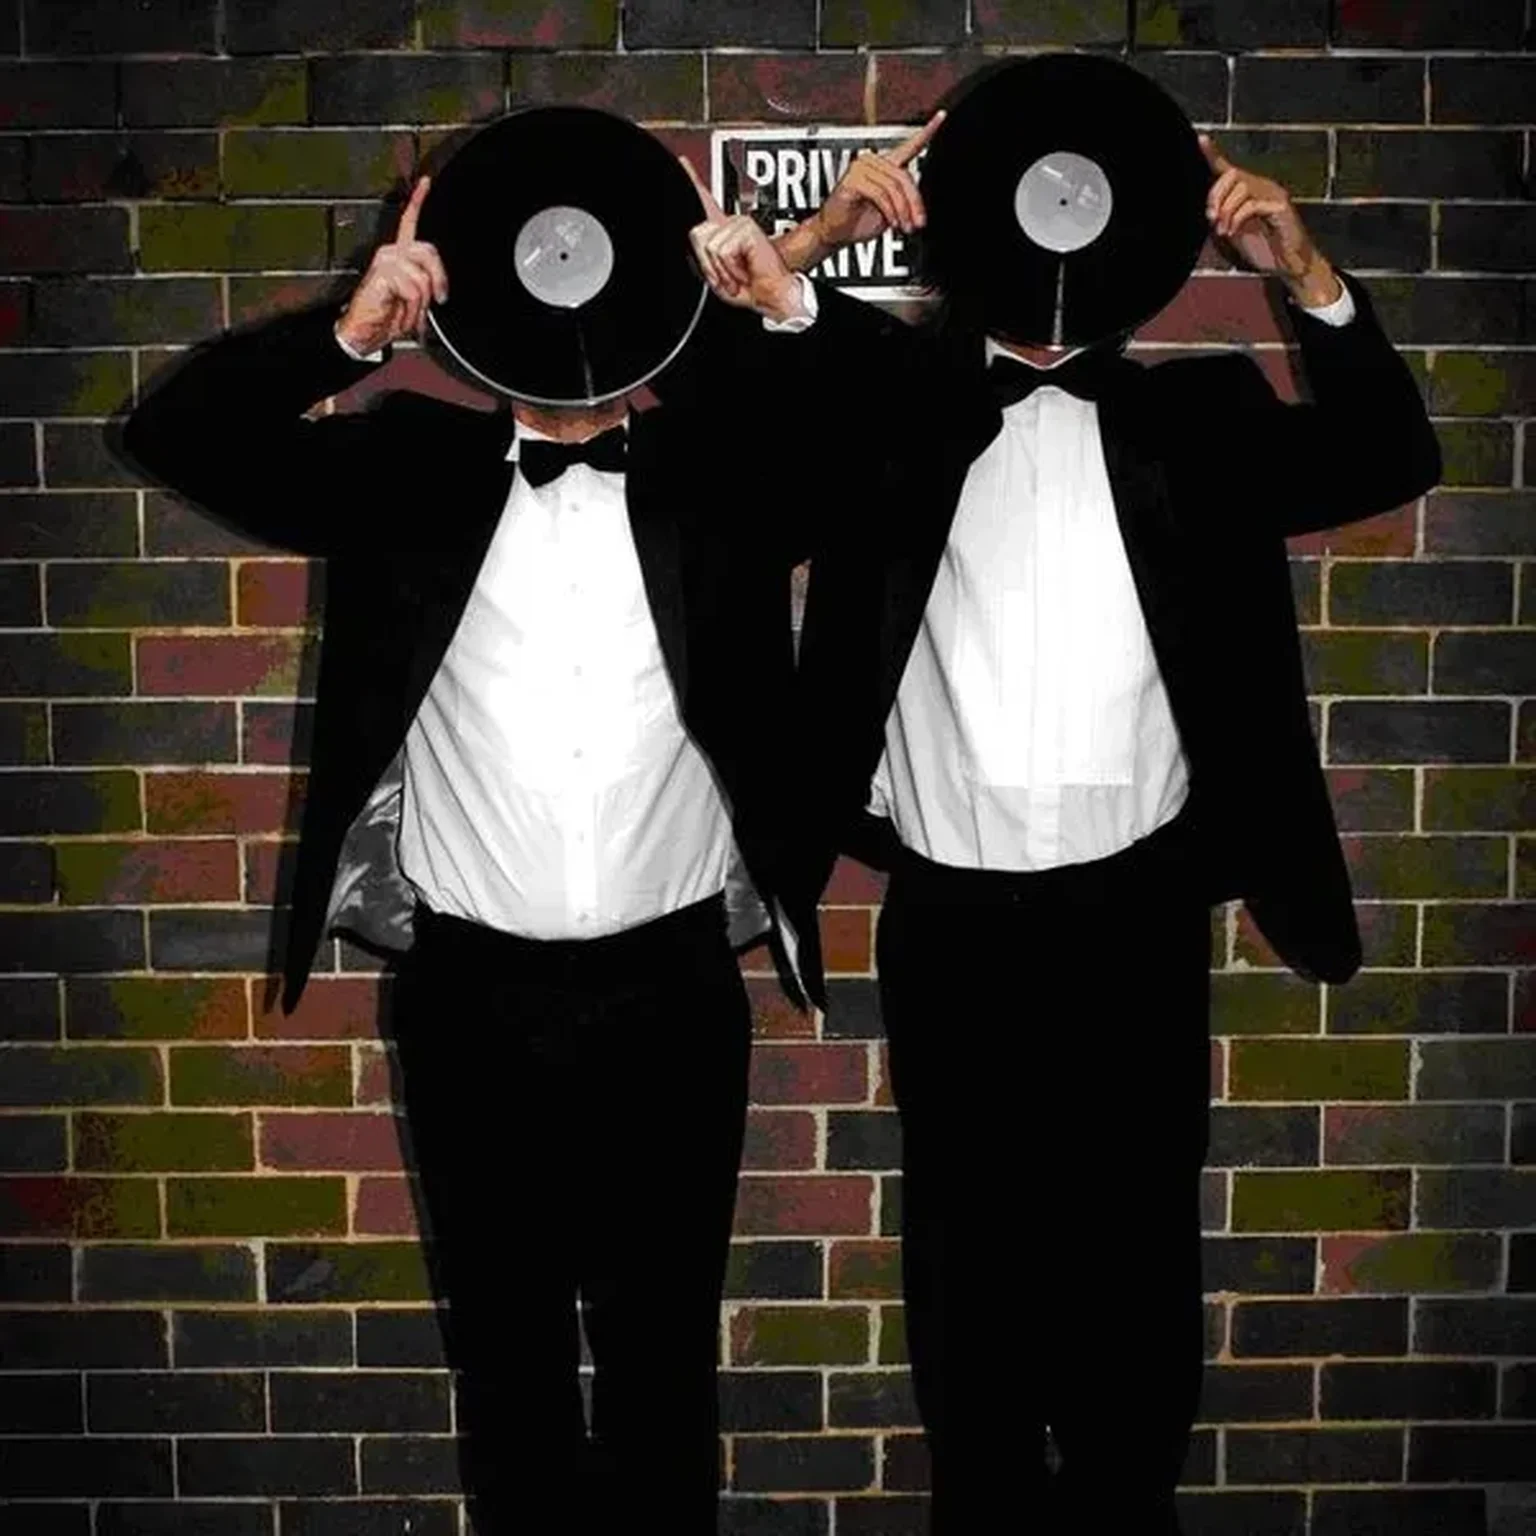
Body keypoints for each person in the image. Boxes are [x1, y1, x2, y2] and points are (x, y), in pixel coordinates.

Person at [119, 112, 934, 1531]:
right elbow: (176, 432)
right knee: (509, 1374)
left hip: (674, 995)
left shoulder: (723, 479)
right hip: (471, 1001)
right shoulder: (404, 472)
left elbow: (916, 446)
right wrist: (345, 339)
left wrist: (786, 299)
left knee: (663, 1368)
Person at [773, 108, 1443, 1530]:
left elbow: (1390, 454)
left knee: (1136, 1265)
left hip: (1135, 914)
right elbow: (717, 422)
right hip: (952, 917)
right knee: (965, 1269)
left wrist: (1306, 274)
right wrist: (822, 239)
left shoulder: (1199, 417)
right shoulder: (887, 410)